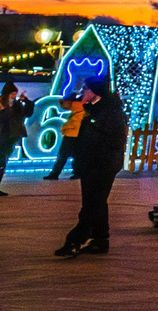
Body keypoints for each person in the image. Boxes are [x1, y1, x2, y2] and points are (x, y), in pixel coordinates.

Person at [52, 79, 129, 258]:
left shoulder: (110, 111)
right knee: (95, 202)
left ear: (95, 91)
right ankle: (100, 239)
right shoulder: (93, 109)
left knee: (92, 204)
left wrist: (92, 128)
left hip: (104, 162)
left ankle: (75, 240)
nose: (82, 91)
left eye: (86, 88)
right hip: (90, 162)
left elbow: (113, 138)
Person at [0, 78, 33, 197]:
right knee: (0, 161)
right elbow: (3, 116)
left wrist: (25, 101)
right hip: (3, 135)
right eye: (12, 94)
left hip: (11, 135)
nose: (14, 96)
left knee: (2, 162)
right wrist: (17, 104)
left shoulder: (12, 104)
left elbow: (26, 113)